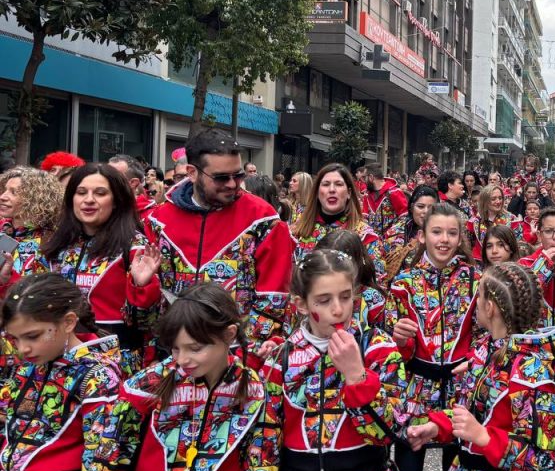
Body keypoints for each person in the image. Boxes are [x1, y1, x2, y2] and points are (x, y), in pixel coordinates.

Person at [240, 250, 415, 471]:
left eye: (345, 297)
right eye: (323, 300)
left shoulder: (378, 350)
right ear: (301, 304)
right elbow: (264, 445)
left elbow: (391, 433)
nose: (338, 309)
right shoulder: (282, 360)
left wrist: (356, 376)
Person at [405, 262, 555, 471]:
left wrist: (483, 436)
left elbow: (542, 458)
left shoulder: (529, 372)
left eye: (477, 296)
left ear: (490, 307)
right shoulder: (486, 348)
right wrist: (436, 427)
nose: (474, 303)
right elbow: (471, 408)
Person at [111, 284, 266, 471]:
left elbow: (258, 460)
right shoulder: (147, 385)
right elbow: (108, 456)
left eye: (195, 348)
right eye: (175, 348)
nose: (183, 360)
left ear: (229, 335)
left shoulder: (251, 388)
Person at [0, 272, 125, 471]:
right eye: (14, 339)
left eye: (32, 336)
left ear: (68, 322)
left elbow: (102, 459)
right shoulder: (32, 362)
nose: (22, 348)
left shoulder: (97, 376)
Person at [385, 203, 479, 471]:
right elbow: (391, 352)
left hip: (461, 394)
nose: (444, 240)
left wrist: (475, 360)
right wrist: (400, 339)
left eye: (452, 233)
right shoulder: (404, 283)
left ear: (461, 237)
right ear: (422, 236)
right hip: (415, 392)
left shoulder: (475, 279)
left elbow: (490, 331)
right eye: (436, 232)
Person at [144, 128, 295, 346]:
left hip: (236, 357)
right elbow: (148, 305)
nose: (233, 184)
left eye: (238, 175)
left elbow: (274, 300)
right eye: (221, 177)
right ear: (192, 172)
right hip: (174, 353)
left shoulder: (264, 220)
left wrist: (246, 355)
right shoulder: (158, 220)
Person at [27, 164, 162, 373]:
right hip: (58, 359)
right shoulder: (55, 245)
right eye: (81, 193)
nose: (89, 200)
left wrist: (141, 286)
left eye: (100, 193)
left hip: (114, 362)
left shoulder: (134, 247)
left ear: (116, 201)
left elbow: (149, 324)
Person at [291, 163, 385, 279]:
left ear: (349, 193)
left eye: (338, 184)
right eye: (325, 184)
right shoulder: (295, 233)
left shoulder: (365, 236)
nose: (331, 190)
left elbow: (377, 281)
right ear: (316, 193)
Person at [0, 167, 64, 295]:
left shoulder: (51, 239)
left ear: (35, 199)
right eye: (4, 190)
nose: (2, 197)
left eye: (13, 192)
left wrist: (7, 281)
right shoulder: (3, 230)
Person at [317, 228, 388, 331]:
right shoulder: (308, 296)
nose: (332, 274)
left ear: (358, 264)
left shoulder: (372, 300)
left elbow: (385, 338)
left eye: (341, 267)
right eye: (324, 266)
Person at [382, 185, 438, 282]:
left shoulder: (444, 234)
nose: (425, 211)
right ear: (412, 208)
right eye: (420, 206)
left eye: (431, 208)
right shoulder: (395, 232)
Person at [363, 162, 410, 237]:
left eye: (364, 177)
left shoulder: (394, 192)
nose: (363, 181)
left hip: (392, 242)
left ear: (371, 177)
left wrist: (389, 234)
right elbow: (364, 218)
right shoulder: (367, 195)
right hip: (372, 244)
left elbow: (405, 218)